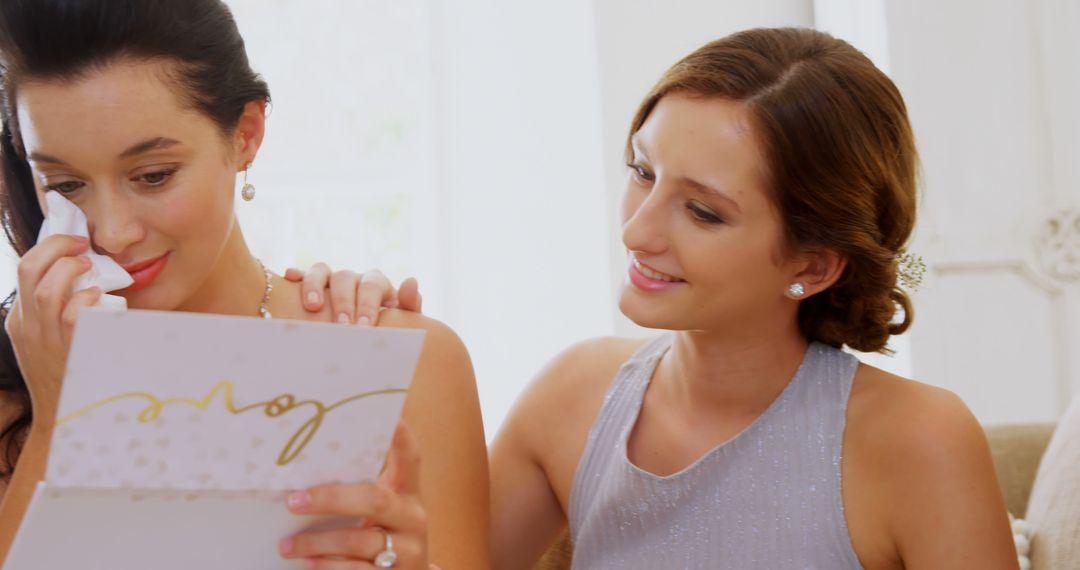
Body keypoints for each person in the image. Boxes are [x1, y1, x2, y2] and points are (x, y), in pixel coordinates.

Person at [302, 27, 1019, 568]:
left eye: (702, 212)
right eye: (642, 172)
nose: (638, 230)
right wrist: (361, 366)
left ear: (815, 263)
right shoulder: (573, 397)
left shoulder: (919, 442)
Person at [0, 1, 489, 568]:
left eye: (153, 176)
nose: (111, 232)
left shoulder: (398, 363)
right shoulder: (18, 385)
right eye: (64, 184)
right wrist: (61, 409)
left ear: (247, 135)